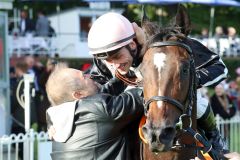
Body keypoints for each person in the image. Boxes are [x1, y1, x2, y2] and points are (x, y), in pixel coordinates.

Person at [87, 12, 229, 154]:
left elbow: (219, 67)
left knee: (201, 104)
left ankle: (216, 141)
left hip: (169, 99)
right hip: (130, 101)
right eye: (108, 60)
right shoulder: (104, 55)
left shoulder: (165, 42)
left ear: (131, 45)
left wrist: (188, 79)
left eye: (117, 56)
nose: (114, 64)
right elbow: (93, 91)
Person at [46, 63, 144, 160]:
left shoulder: (57, 120)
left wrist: (123, 74)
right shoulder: (100, 109)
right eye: (84, 76)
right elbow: (141, 96)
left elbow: (99, 96)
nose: (90, 75)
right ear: (78, 94)